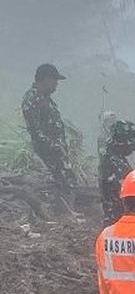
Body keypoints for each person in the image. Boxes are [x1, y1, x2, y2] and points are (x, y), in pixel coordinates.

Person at [21, 63, 77, 209]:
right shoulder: (32, 98)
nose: (56, 84)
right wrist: (53, 146)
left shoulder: (45, 98)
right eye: (54, 80)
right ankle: (64, 213)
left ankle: (65, 211)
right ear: (45, 79)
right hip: (48, 151)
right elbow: (35, 129)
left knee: (66, 180)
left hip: (56, 151)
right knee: (64, 180)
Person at [98, 120, 135, 226]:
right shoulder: (114, 162)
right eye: (133, 143)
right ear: (123, 142)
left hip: (119, 219)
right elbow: (133, 195)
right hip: (118, 221)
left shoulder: (116, 158)